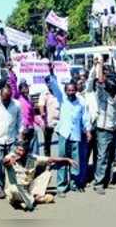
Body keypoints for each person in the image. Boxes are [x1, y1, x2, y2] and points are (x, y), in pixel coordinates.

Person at [47, 64, 90, 197]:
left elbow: (85, 117)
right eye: (69, 90)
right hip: (64, 134)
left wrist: (87, 131)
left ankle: (74, 184)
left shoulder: (81, 101)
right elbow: (54, 85)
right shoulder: (62, 99)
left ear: (76, 90)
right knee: (62, 160)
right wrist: (51, 70)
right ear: (66, 91)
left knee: (75, 161)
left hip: (76, 135)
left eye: (73, 90)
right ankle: (61, 186)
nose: (71, 92)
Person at [3, 143, 77, 211]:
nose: (20, 152)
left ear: (26, 152)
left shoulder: (33, 158)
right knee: (14, 190)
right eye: (18, 150)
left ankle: (31, 199)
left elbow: (50, 159)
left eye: (22, 150)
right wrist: (8, 162)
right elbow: (5, 161)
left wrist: (67, 159)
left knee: (47, 174)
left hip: (28, 188)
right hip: (15, 190)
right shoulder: (11, 157)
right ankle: (32, 200)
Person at [90, 59, 116, 195]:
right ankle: (98, 183)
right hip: (103, 130)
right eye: (112, 86)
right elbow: (99, 80)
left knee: (111, 156)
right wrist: (100, 64)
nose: (114, 88)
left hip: (113, 129)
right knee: (102, 157)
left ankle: (107, 180)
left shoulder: (114, 97)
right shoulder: (102, 95)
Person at [0, 84, 22, 199]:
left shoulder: (16, 104)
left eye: (8, 98)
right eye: (4, 98)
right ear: (0, 95)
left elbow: (19, 122)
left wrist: (20, 136)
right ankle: (0, 186)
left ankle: (10, 186)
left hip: (11, 139)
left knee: (11, 165)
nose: (6, 100)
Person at [38, 76, 60, 157]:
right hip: (48, 122)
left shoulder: (59, 92)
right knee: (47, 143)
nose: (50, 84)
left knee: (62, 142)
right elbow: (41, 105)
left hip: (59, 122)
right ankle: (47, 162)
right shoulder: (44, 93)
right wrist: (42, 114)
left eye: (52, 82)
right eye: (48, 82)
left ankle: (62, 160)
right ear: (46, 84)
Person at [17, 82, 39, 155]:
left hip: (31, 128)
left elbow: (32, 114)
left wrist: (39, 123)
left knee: (33, 151)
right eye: (24, 89)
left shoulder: (29, 100)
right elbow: (22, 117)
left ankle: (32, 165)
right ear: (20, 91)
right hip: (24, 130)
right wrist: (24, 129)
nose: (26, 91)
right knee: (24, 151)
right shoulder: (19, 101)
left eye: (27, 89)